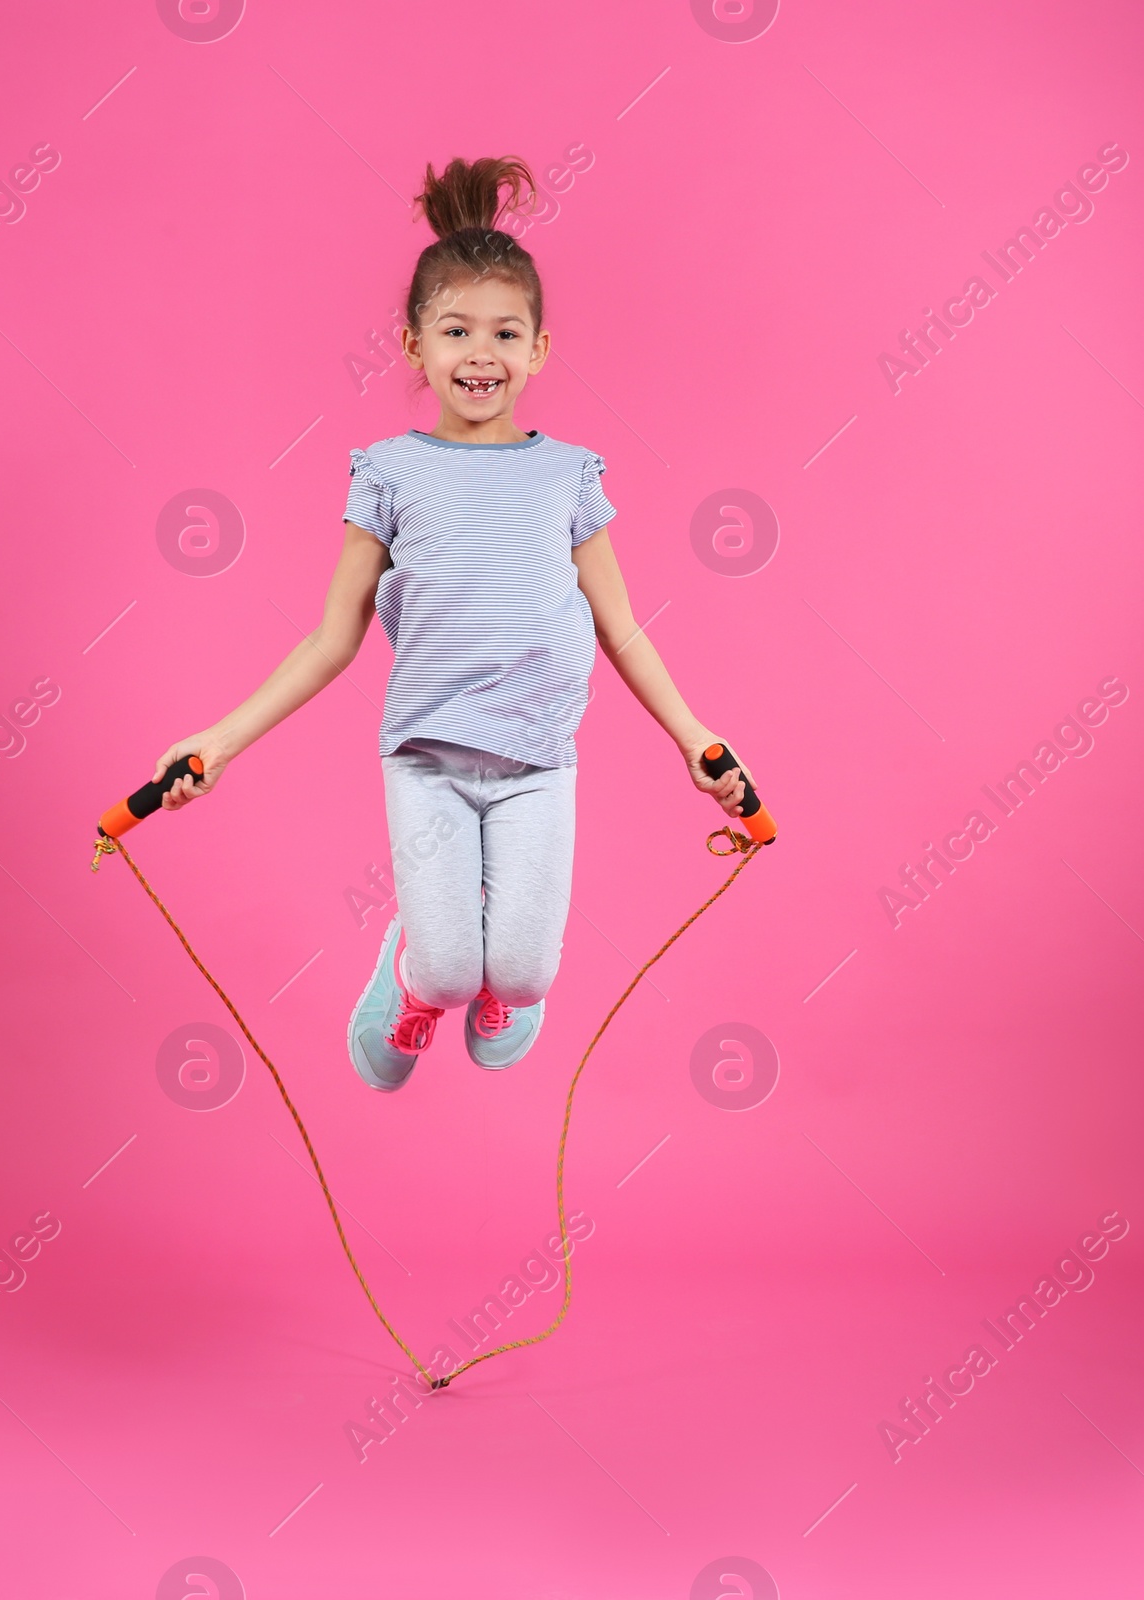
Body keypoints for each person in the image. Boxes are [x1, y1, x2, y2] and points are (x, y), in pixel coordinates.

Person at [150, 155, 750, 1091]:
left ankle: (493, 978)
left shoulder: (570, 476)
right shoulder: (387, 472)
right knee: (446, 966)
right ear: (413, 343)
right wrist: (220, 741)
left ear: (540, 349)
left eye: (506, 332)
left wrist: (695, 739)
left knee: (523, 971)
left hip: (538, 762)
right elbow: (332, 638)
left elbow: (621, 627)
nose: (482, 352)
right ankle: (417, 982)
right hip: (426, 758)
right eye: (457, 329)